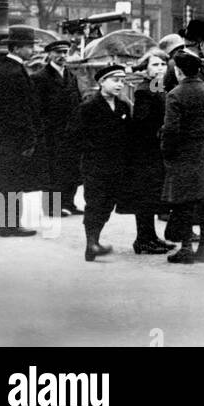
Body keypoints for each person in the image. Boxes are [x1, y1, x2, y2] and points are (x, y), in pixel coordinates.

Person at [161, 52, 204, 264]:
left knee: (184, 201)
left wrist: (167, 151)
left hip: (185, 151)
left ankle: (186, 248)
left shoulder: (175, 94)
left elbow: (171, 130)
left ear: (178, 71)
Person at [0, 26, 43, 237]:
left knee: (1, 179)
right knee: (12, 179)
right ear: (17, 48)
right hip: (13, 137)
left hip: (0, 136)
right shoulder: (14, 72)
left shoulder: (3, 68)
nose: (33, 50)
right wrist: (28, 138)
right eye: (29, 46)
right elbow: (19, 110)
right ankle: (10, 224)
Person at [121, 50, 175, 255]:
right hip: (146, 152)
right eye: (155, 65)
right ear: (145, 68)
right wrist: (160, 131)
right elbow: (142, 122)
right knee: (145, 196)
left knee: (152, 196)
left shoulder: (156, 86)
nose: (160, 68)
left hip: (154, 151)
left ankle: (150, 237)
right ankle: (143, 239)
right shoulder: (144, 90)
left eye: (163, 64)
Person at [78, 65, 131, 261]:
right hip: (95, 165)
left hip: (117, 165)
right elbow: (75, 135)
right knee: (95, 203)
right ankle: (91, 243)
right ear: (102, 82)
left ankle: (95, 241)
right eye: (115, 80)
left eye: (122, 81)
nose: (120, 84)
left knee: (108, 204)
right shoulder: (89, 107)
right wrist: (93, 151)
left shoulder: (123, 106)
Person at [31, 39, 83, 217]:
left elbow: (77, 102)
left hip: (71, 132)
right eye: (58, 52)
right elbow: (37, 108)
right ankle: (51, 207)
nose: (62, 56)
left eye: (65, 52)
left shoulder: (71, 76)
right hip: (52, 132)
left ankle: (69, 203)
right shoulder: (40, 77)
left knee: (71, 168)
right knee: (53, 169)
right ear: (50, 54)